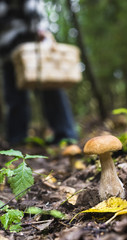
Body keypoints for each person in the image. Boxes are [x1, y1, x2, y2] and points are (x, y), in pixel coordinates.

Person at [0, 0, 77, 146]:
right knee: (15, 94)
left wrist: (40, 26)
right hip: (6, 48)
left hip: (29, 41)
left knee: (49, 84)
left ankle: (65, 135)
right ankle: (18, 140)